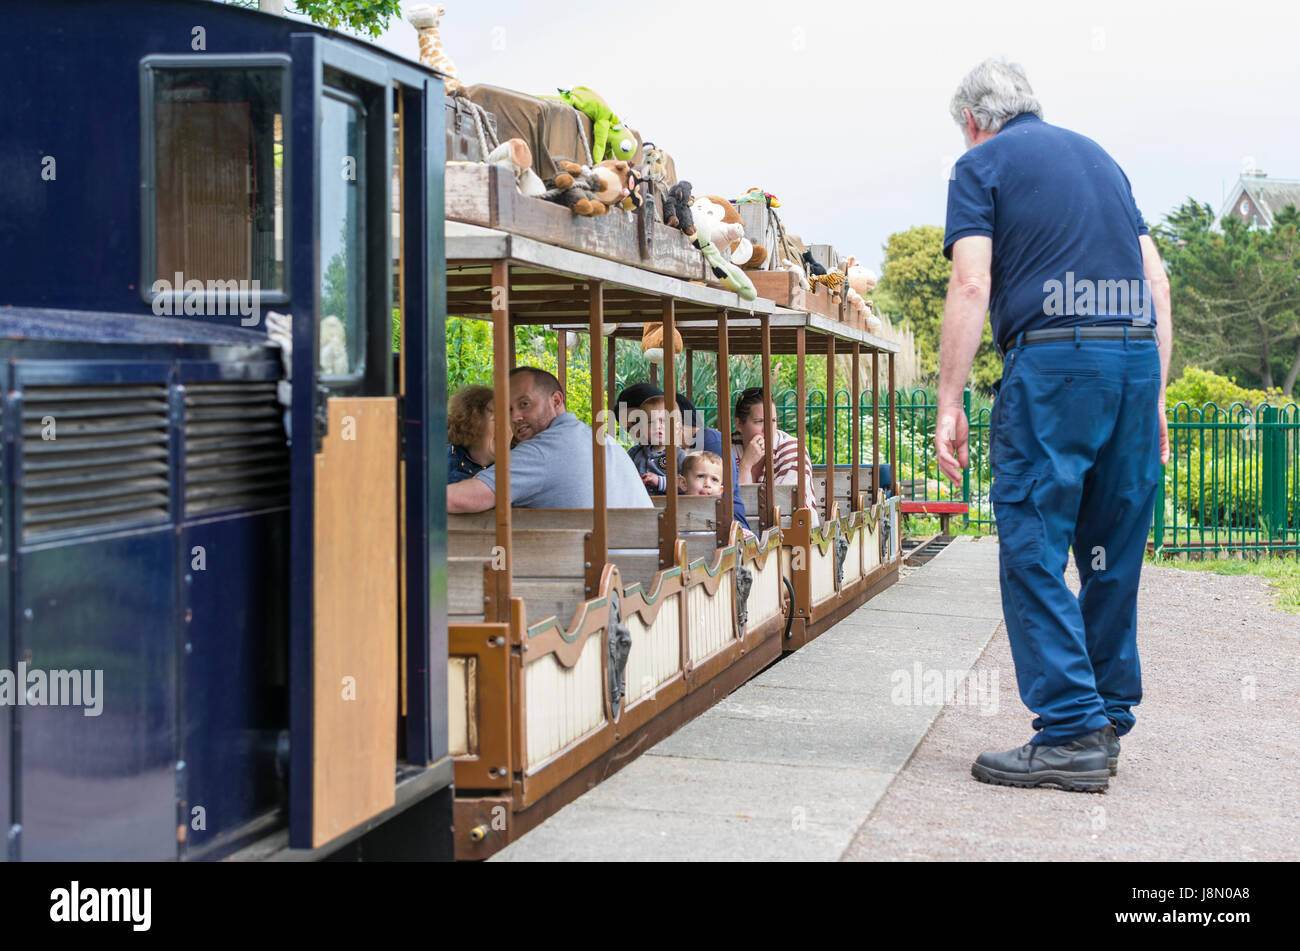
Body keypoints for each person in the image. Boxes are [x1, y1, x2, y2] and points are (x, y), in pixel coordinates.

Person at [933, 59, 1171, 792]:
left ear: (972, 120)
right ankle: (1106, 716)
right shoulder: (1101, 159)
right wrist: (1156, 397)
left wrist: (949, 400)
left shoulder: (980, 166)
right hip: (1133, 359)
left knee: (1033, 539)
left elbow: (971, 281)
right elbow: (1156, 282)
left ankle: (1071, 728)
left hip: (1056, 363)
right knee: (1112, 548)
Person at [447, 367, 652, 512]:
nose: (515, 417)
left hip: (600, 561)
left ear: (556, 400)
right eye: (508, 409)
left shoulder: (543, 450)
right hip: (638, 559)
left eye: (525, 404)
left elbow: (460, 499)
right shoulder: (602, 440)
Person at [732, 387, 818, 524]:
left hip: (792, 532)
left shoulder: (793, 449)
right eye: (759, 421)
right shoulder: (728, 448)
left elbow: (782, 508)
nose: (768, 428)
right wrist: (746, 465)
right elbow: (730, 508)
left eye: (772, 420)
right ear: (739, 425)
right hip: (744, 531)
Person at [674, 392, 752, 533]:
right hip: (697, 523)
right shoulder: (685, 447)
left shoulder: (709, 441)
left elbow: (711, 497)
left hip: (723, 525)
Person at [615, 384, 684, 495]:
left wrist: (660, 481)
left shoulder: (679, 455)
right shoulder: (635, 453)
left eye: (637, 422)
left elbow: (687, 484)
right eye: (629, 429)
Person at [446, 385, 494, 484]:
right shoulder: (441, 461)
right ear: (473, 423)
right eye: (496, 419)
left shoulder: (516, 462)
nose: (507, 428)